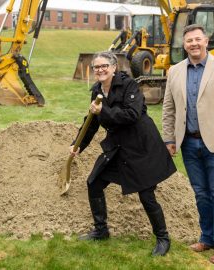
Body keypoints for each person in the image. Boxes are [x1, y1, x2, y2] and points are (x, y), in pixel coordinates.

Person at [70, 51, 176, 256]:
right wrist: (77, 145)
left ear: (113, 68)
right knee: (94, 182)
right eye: (96, 67)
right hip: (119, 148)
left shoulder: (129, 86)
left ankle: (163, 238)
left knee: (146, 194)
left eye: (104, 66)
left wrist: (103, 112)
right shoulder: (97, 91)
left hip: (141, 147)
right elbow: (91, 122)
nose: (100, 70)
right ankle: (101, 231)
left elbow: (132, 115)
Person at [162, 24, 214, 265]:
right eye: (189, 41)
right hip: (188, 143)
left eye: (198, 39)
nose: (194, 44)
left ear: (206, 41)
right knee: (200, 194)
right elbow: (168, 109)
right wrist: (169, 138)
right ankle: (206, 238)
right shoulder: (175, 71)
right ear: (184, 44)